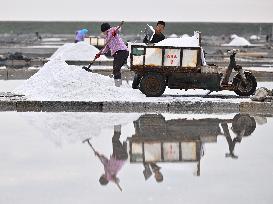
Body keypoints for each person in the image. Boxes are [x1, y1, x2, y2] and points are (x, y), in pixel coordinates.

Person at [95, 125, 128, 190]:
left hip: (118, 156)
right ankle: (117, 125)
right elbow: (116, 180)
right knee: (115, 140)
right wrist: (115, 180)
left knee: (115, 140)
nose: (101, 175)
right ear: (103, 178)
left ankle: (118, 127)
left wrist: (99, 155)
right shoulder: (109, 177)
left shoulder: (106, 171)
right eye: (101, 176)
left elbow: (105, 161)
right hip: (119, 157)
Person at [95, 23, 129, 87]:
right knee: (115, 69)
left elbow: (118, 28)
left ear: (104, 30)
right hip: (118, 53)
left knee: (116, 69)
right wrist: (99, 53)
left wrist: (115, 32)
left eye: (103, 32)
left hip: (121, 51)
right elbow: (106, 49)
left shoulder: (111, 30)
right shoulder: (107, 38)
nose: (103, 33)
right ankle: (117, 83)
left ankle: (118, 85)